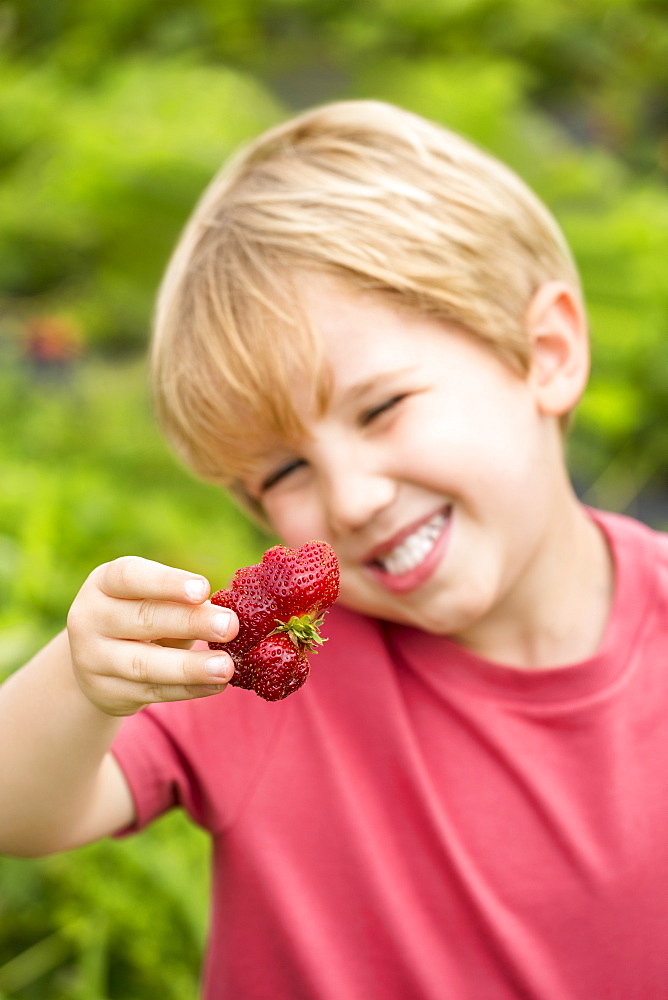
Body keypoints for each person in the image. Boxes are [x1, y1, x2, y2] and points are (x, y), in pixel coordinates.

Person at [1, 100, 667, 1000]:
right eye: (284, 471)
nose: (352, 500)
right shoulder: (264, 666)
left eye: (381, 408)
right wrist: (82, 680)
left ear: (543, 354)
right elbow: (18, 809)